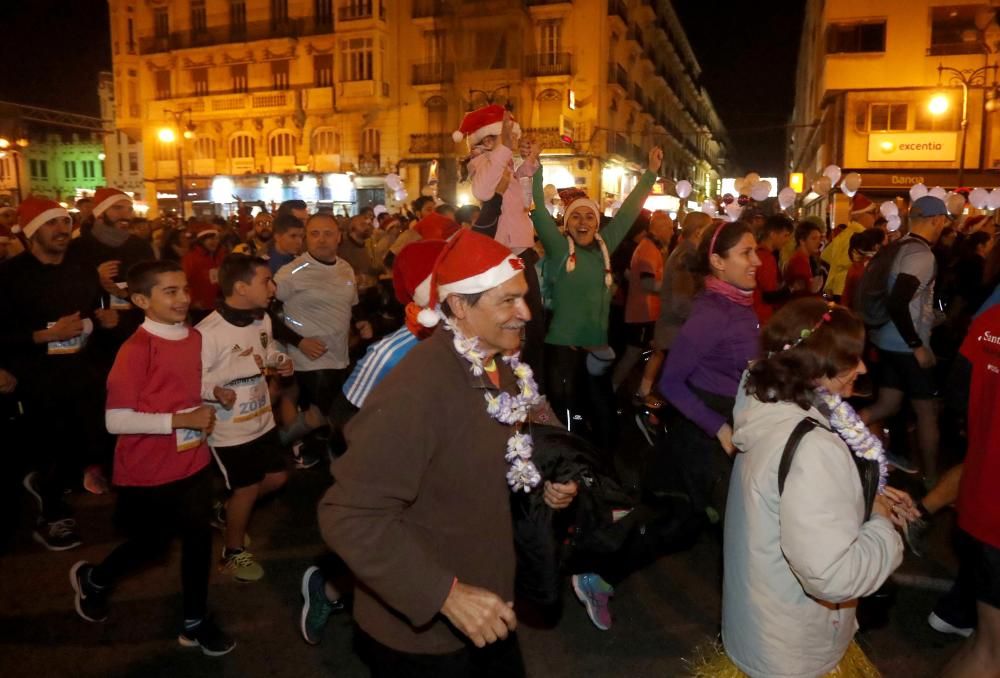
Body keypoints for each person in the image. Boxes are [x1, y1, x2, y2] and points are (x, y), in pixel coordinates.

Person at [319, 229, 568, 677]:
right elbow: (347, 514)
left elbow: (506, 444)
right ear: (458, 307)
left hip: (490, 604)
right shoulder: (419, 388)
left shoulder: (501, 364)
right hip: (426, 633)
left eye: (524, 298)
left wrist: (547, 480)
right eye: (508, 301)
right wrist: (444, 595)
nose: (526, 313)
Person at [716, 297, 910, 677]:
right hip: (792, 650)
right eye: (852, 359)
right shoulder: (813, 447)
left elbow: (790, 505)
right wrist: (884, 528)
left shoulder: (765, 405)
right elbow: (831, 575)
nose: (864, 366)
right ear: (817, 368)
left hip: (762, 627)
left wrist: (863, 500)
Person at [69, 260, 235, 656]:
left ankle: (194, 620)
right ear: (142, 300)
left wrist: (213, 391)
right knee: (150, 547)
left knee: (197, 540)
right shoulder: (135, 350)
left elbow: (189, 380)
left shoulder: (193, 336)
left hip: (192, 460)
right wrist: (182, 419)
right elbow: (116, 420)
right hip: (147, 470)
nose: (182, 299)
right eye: (170, 292)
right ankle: (94, 580)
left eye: (184, 289)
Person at [299, 238, 447, 646]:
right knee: (392, 551)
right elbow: (344, 418)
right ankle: (328, 586)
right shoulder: (394, 349)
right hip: (390, 471)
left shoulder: (474, 340)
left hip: (440, 468)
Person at [1, 198, 119, 550]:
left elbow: (94, 313)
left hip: (81, 372)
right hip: (33, 377)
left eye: (66, 223)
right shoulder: (9, 276)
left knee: (87, 443)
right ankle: (51, 516)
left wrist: (107, 321)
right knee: (47, 447)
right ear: (33, 232)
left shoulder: (82, 269)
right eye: (52, 224)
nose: (62, 230)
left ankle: (45, 486)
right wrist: (44, 336)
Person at [531, 146, 662, 450]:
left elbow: (629, 212)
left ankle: (603, 476)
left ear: (597, 222)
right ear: (566, 223)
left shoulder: (606, 246)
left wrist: (651, 173)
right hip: (563, 352)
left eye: (589, 215)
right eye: (575, 216)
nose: (583, 221)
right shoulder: (560, 249)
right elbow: (538, 211)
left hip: (597, 352)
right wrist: (535, 169)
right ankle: (566, 475)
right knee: (566, 419)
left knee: (604, 418)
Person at [197, 254, 293, 582]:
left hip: (262, 420)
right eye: (265, 281)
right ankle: (232, 551)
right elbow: (192, 380)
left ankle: (227, 513)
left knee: (277, 478)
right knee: (247, 488)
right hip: (228, 430)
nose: (273, 287)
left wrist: (280, 360)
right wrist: (215, 391)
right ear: (240, 287)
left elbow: (265, 352)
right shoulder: (207, 332)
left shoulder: (261, 319)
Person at [659, 220, 760, 521]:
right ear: (718, 262)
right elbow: (671, 382)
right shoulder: (712, 313)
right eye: (746, 253)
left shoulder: (740, 303)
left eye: (756, 251)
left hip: (738, 414)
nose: (757, 261)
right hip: (710, 429)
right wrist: (719, 429)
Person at [861, 195, 951, 482]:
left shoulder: (899, 247)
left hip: (885, 341)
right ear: (936, 220)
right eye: (943, 221)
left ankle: (837, 431)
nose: (943, 227)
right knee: (927, 414)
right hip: (906, 347)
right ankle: (932, 480)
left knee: (887, 404)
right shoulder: (922, 255)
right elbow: (899, 301)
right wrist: (917, 346)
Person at [942, 302, 1000, 676]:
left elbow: (957, 394)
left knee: (985, 642)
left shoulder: (992, 319)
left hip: (979, 496)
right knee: (992, 652)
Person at [274, 213, 360, 461]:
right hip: (310, 359)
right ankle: (341, 473)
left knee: (318, 415)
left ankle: (277, 445)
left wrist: (360, 323)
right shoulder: (291, 271)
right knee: (334, 416)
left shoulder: (345, 268)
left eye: (328, 233)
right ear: (305, 238)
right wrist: (299, 341)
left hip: (339, 355)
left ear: (339, 237)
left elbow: (350, 305)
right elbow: (265, 309)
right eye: (314, 233)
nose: (321, 239)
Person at [612, 211, 672, 404]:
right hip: (642, 312)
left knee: (650, 351)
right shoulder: (647, 249)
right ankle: (614, 389)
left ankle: (639, 389)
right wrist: (673, 284)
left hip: (647, 311)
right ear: (659, 228)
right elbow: (647, 284)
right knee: (633, 353)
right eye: (669, 227)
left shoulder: (651, 248)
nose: (672, 232)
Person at [653, 212, 713, 353]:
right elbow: (681, 301)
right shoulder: (687, 255)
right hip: (677, 333)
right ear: (698, 232)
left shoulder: (684, 251)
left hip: (674, 332)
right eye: (709, 230)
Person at [822, 193, 876, 299]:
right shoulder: (862, 235)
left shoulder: (846, 232)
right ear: (862, 215)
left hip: (835, 287)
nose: (875, 216)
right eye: (872, 212)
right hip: (849, 288)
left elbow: (825, 255)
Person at [751, 214, 794, 325]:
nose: (788, 240)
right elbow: (769, 295)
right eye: (785, 235)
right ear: (772, 234)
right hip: (761, 315)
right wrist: (791, 289)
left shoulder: (757, 252)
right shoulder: (766, 257)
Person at [182, 223, 225, 321]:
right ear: (201, 240)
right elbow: (183, 282)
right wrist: (193, 301)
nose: (214, 242)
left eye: (216, 238)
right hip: (199, 308)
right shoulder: (191, 258)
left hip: (215, 305)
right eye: (210, 238)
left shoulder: (218, 256)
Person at [841, 228, 884, 311]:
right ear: (875, 246)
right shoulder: (876, 264)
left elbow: (846, 295)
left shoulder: (856, 267)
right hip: (869, 312)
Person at [784, 218, 825, 299]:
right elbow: (804, 293)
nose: (818, 242)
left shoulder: (804, 258)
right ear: (802, 240)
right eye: (814, 238)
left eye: (819, 238)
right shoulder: (799, 261)